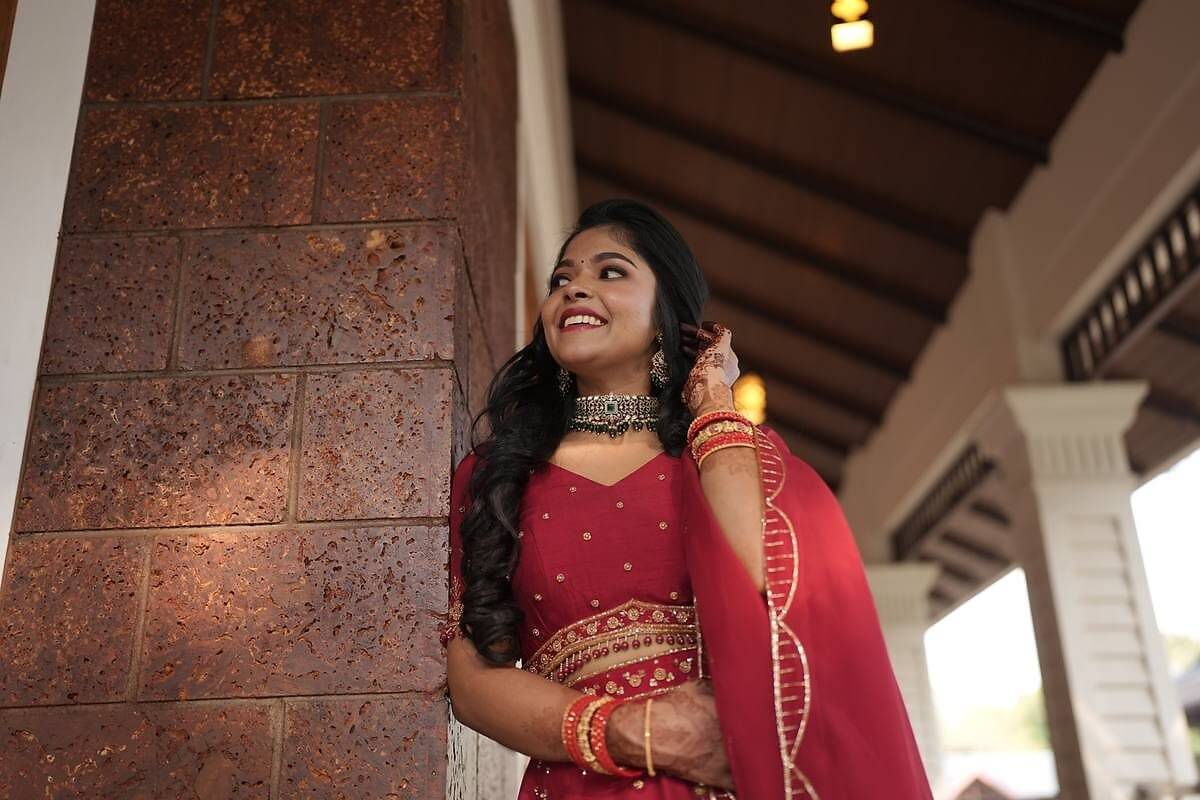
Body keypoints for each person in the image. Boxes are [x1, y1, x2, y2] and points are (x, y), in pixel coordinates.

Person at [440, 198, 934, 799]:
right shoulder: (494, 477)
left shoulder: (723, 453)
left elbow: (769, 582)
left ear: (665, 312)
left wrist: (712, 400)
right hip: (580, 784)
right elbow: (470, 681)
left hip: (733, 779)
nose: (574, 290)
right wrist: (631, 730)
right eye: (561, 279)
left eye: (610, 272)